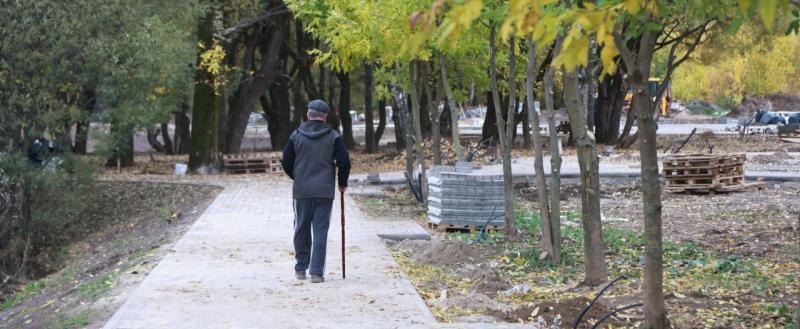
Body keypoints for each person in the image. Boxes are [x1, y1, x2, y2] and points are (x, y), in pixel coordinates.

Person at [281, 100, 351, 283]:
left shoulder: (296, 135)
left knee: (301, 228)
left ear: (308, 115)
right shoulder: (333, 136)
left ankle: (300, 268)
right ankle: (317, 273)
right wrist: (342, 182)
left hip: (302, 191)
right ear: (325, 116)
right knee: (320, 230)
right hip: (324, 191)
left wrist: (297, 177)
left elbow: (286, 161)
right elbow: (344, 161)